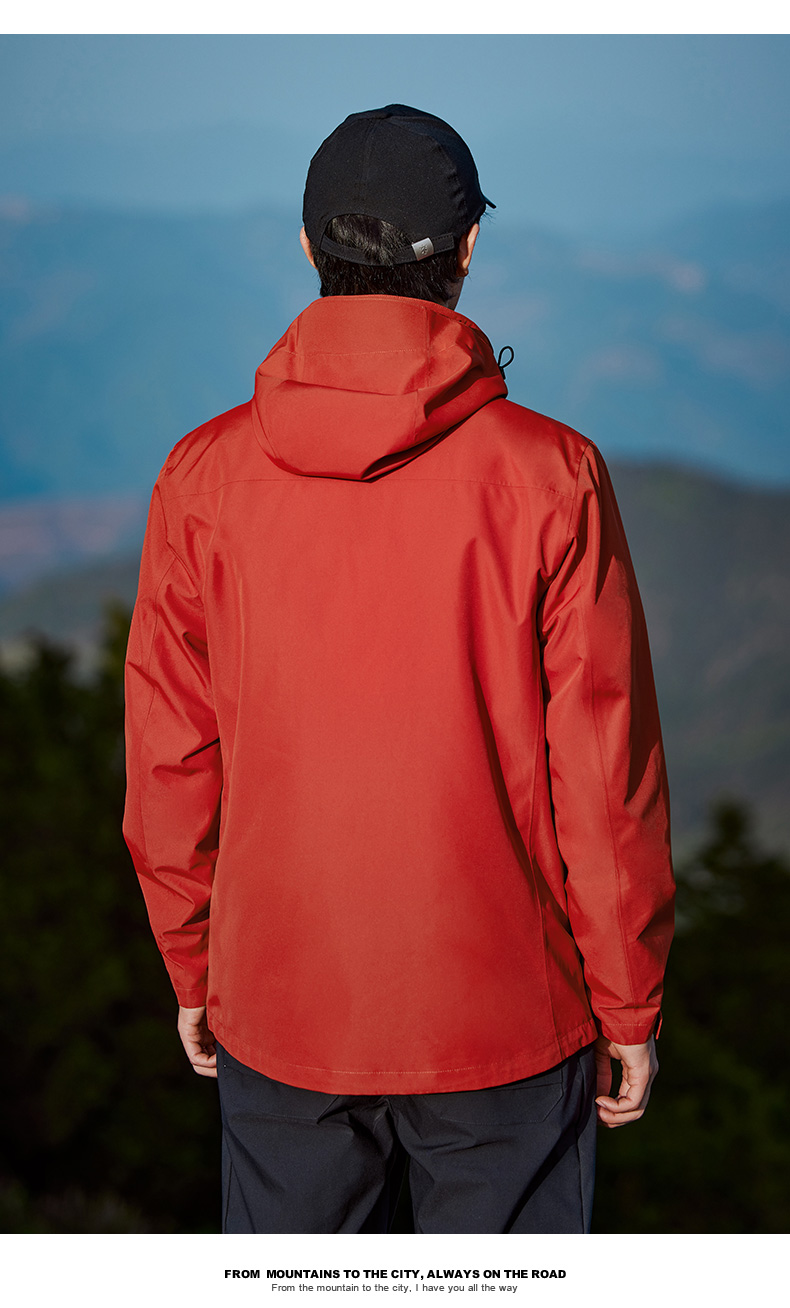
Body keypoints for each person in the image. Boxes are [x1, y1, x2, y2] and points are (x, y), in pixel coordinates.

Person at [123, 104, 675, 1235]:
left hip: (279, 1007)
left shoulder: (200, 477)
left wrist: (193, 963)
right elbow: (602, 771)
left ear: (306, 244)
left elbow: (170, 760)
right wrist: (629, 1001)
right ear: (467, 249)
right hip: (503, 1020)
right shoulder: (553, 476)